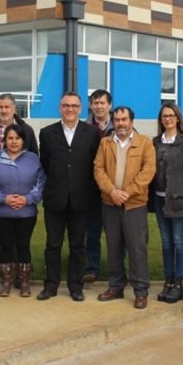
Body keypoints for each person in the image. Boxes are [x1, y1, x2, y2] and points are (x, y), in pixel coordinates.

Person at [37, 92, 100, 302]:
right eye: (66, 105)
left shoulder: (91, 133)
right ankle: (51, 285)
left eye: (74, 106)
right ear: (60, 108)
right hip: (55, 198)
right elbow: (46, 164)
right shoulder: (47, 133)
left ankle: (75, 286)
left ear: (81, 109)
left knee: (78, 245)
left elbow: (94, 165)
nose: (70, 109)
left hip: (81, 199)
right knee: (53, 245)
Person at [94, 106, 156, 309]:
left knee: (137, 248)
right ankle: (116, 286)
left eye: (124, 119)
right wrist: (112, 191)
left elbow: (148, 171)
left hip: (134, 205)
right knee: (113, 247)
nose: (121, 123)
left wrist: (127, 193)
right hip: (110, 203)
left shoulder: (144, 142)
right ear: (113, 122)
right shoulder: (105, 143)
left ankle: (140, 291)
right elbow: (98, 169)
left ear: (131, 121)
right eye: (117, 120)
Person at [0, 93, 38, 288]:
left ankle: (19, 275)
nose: (3, 110)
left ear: (14, 108)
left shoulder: (26, 130)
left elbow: (34, 159)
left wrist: (28, 195)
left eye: (7, 107)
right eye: (0, 107)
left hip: (21, 190)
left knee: (19, 236)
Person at [0, 124, 46, 298]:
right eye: (10, 138)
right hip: (2, 212)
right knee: (5, 246)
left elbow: (41, 182)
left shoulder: (33, 159)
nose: (14, 142)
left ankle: (24, 282)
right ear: (4, 140)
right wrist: (4, 199)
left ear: (23, 140)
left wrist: (27, 199)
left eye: (17, 138)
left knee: (23, 245)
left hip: (26, 212)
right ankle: (6, 282)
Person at [151, 103, 183, 304]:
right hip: (159, 198)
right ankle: (168, 280)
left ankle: (178, 283)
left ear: (178, 118)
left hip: (179, 199)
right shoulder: (155, 142)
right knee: (166, 242)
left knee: (179, 242)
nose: (168, 119)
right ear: (160, 120)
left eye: (171, 115)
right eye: (164, 116)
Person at [83, 89, 114, 284]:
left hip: (114, 189)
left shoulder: (120, 125)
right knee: (92, 231)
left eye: (102, 103)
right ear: (91, 105)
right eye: (95, 103)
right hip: (91, 189)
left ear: (109, 105)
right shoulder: (83, 128)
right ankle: (92, 268)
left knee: (116, 232)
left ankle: (117, 269)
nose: (99, 106)